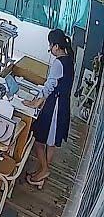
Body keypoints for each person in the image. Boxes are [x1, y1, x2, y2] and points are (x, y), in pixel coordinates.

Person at [23, 29, 75, 188]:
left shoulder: (58, 63)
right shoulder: (69, 59)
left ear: (57, 46)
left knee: (39, 140)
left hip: (56, 107)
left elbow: (50, 85)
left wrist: (35, 102)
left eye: (50, 46)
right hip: (63, 105)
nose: (50, 49)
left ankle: (44, 170)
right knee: (50, 143)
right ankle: (41, 174)